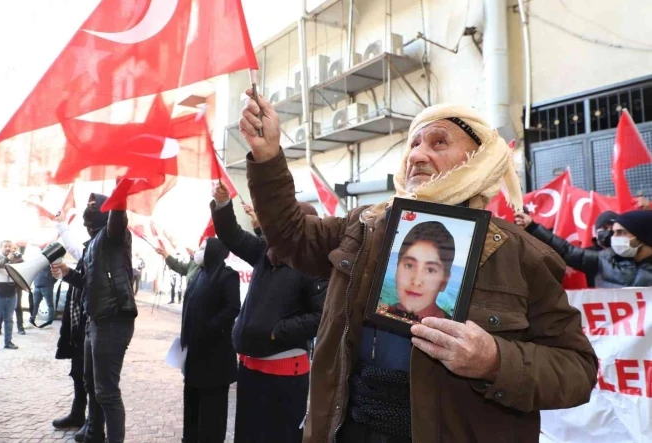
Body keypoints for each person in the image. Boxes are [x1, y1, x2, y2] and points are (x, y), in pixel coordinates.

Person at [238, 96, 597, 442]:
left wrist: (495, 361)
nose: (418, 155)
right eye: (413, 144)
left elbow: (577, 370)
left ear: (479, 158)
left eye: (439, 142)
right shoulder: (365, 226)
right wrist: (268, 155)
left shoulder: (523, 256)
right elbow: (291, 236)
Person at [211, 183, 328, 443]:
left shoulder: (314, 264)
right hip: (250, 369)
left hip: (285, 375)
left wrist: (278, 331)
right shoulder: (266, 254)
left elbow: (323, 317)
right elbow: (232, 235)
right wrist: (222, 204)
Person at [51, 193, 137, 443]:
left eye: (93, 206)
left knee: (107, 392)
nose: (88, 210)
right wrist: (67, 273)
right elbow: (90, 285)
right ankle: (93, 434)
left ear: (107, 210)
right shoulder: (93, 245)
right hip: (95, 320)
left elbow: (118, 217)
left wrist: (121, 191)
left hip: (113, 321)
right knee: (91, 384)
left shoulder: (114, 236)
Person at [180, 237, 240, 443]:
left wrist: (210, 327)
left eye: (203, 247)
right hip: (194, 355)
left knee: (211, 412)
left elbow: (233, 308)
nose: (199, 251)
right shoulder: (198, 274)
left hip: (215, 358)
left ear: (214, 251)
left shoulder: (227, 276)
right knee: (192, 407)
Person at [516, 209, 652, 287]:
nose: (613, 237)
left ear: (642, 236)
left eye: (621, 232)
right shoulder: (605, 259)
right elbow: (566, 251)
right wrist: (533, 228)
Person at [52, 211, 90, 441]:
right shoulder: (88, 256)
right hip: (79, 329)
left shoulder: (98, 254)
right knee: (78, 374)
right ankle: (78, 415)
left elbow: (75, 248)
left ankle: (94, 424)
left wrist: (62, 225)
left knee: (92, 379)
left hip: (92, 328)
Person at [382, 221, 454, 323]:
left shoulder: (452, 331)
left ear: (444, 282)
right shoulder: (380, 314)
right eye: (409, 265)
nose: (416, 281)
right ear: (397, 267)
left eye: (430, 270)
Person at [0, 240, 20, 351]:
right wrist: (6, 259)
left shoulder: (15, 259)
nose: (8, 248)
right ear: (1, 247)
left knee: (9, 320)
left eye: (10, 246)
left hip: (11, 293)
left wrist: (19, 258)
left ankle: (8, 342)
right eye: (5, 246)